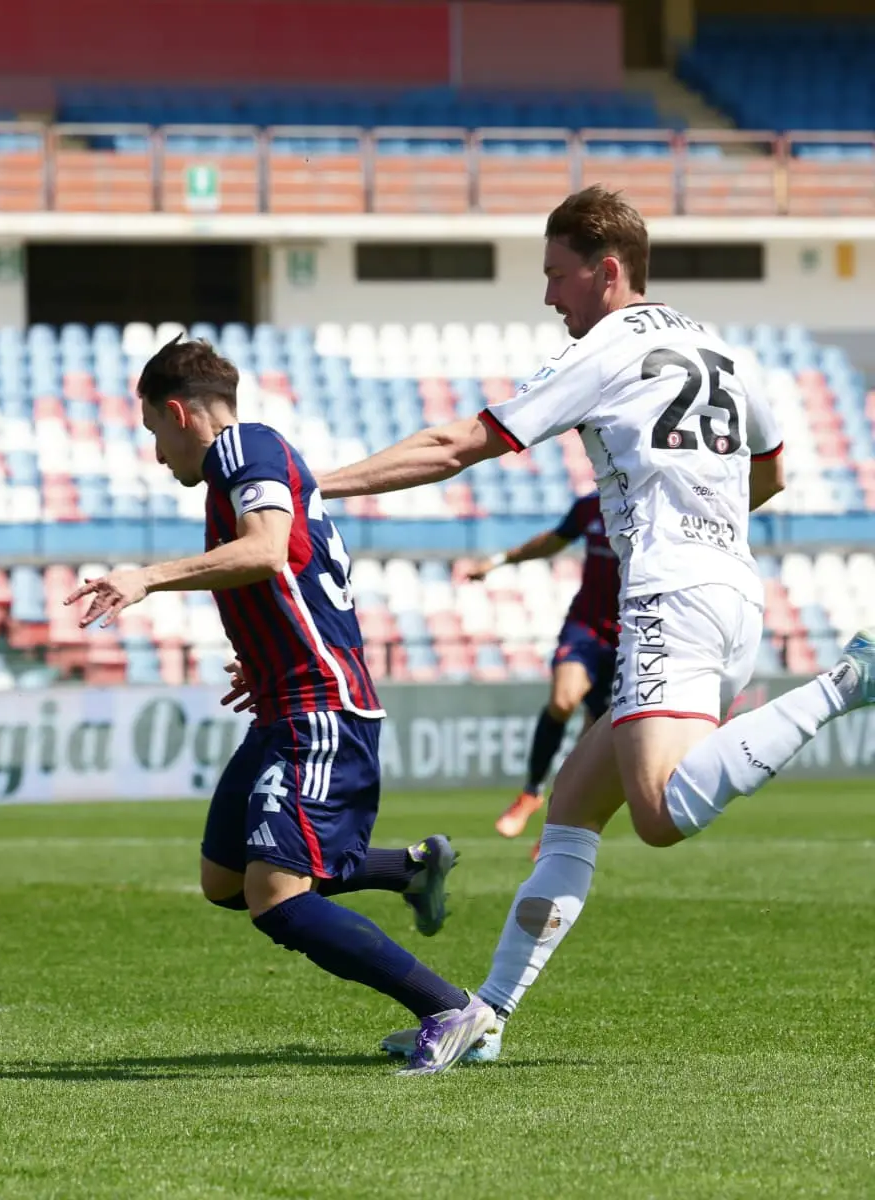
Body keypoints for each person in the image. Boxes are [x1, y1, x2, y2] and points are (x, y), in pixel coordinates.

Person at [318, 185, 875, 1072]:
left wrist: (320, 487)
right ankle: (483, 1015)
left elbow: (460, 444)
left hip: (668, 597)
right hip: (731, 589)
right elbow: (768, 471)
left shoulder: (612, 347)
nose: (549, 297)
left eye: (557, 276)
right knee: (574, 810)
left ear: (607, 272)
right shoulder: (722, 349)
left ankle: (851, 680)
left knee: (658, 815)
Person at [70, 335, 494, 1074]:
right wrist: (263, 659)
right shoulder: (241, 468)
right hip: (282, 698)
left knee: (276, 898)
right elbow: (291, 569)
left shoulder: (245, 450)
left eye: (153, 434)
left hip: (318, 706)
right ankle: (408, 869)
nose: (157, 454)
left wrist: (149, 577)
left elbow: (266, 550)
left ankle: (450, 1008)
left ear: (179, 413)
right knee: (225, 879)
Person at [458, 495, 620, 857]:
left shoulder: (654, 508)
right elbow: (554, 539)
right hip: (586, 627)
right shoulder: (590, 507)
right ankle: (530, 791)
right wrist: (500, 561)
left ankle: (556, 825)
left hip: (631, 635)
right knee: (563, 700)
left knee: (590, 744)